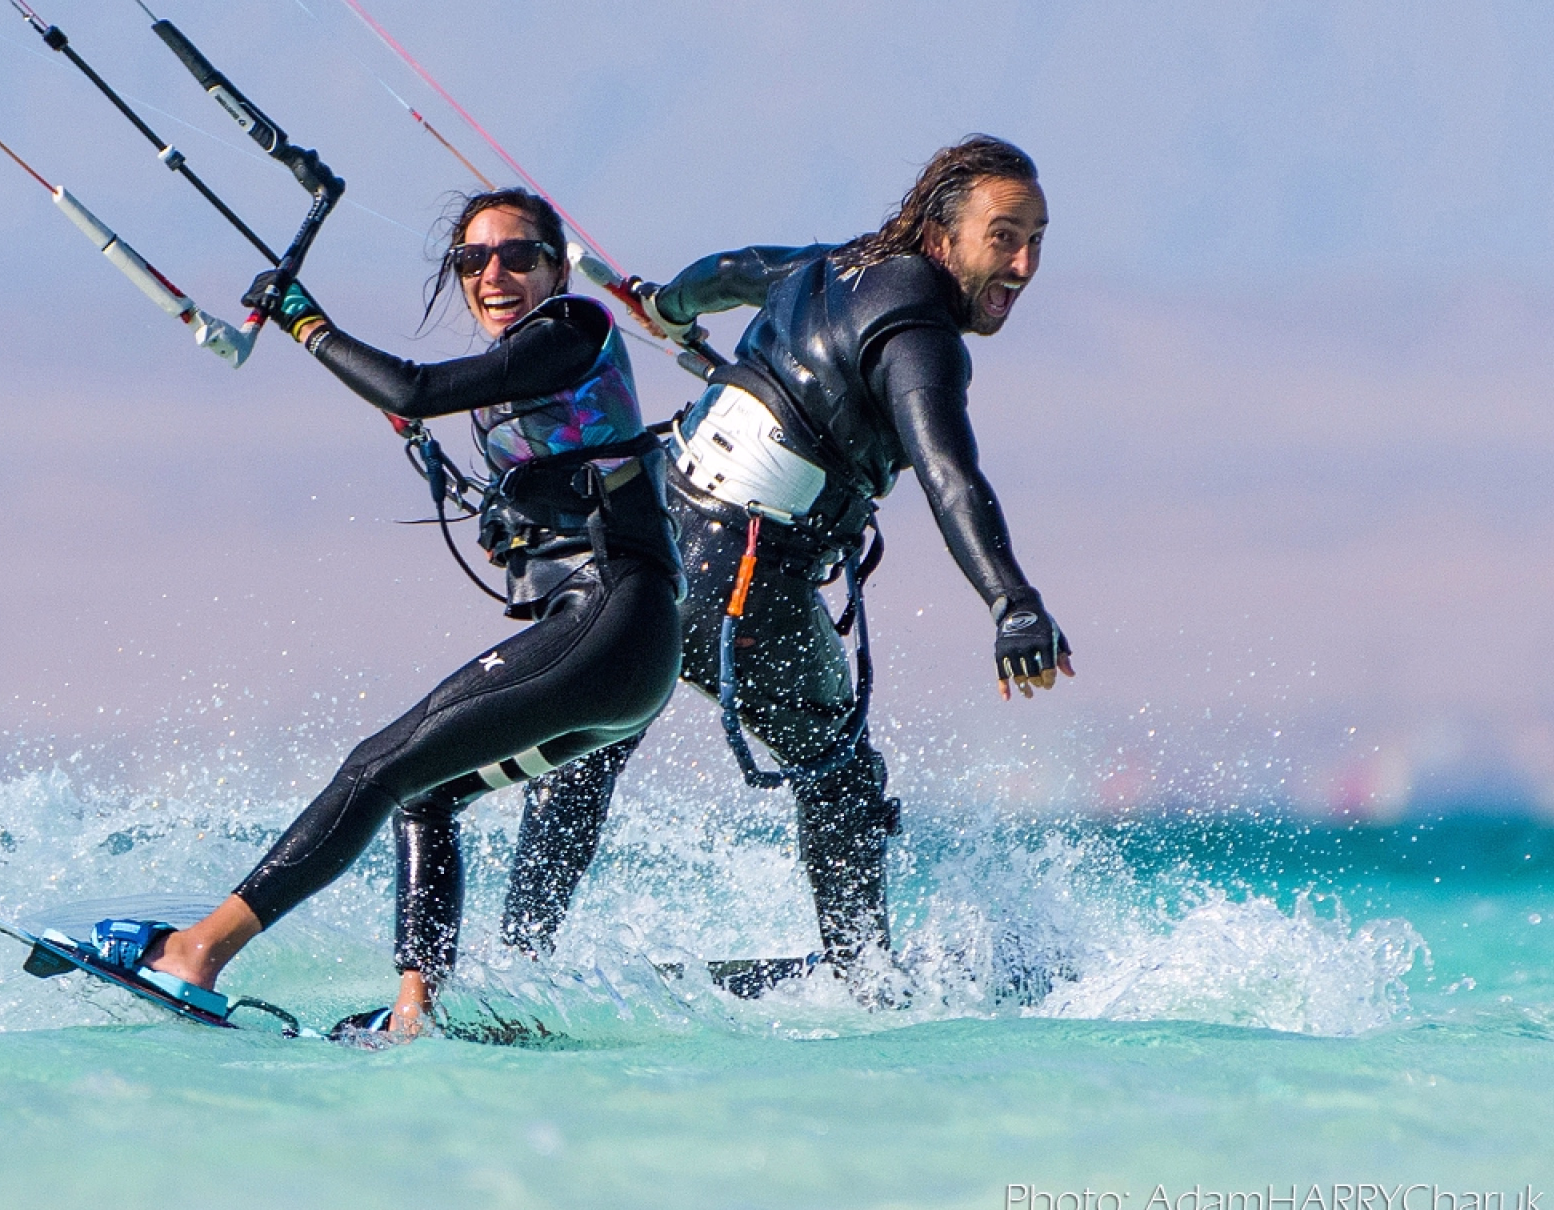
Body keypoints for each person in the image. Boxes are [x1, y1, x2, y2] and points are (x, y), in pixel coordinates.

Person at [394, 135, 1074, 1006]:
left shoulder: (837, 267)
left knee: (592, 741)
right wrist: (1012, 601)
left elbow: (733, 269)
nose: (1022, 263)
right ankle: (869, 986)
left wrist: (669, 303)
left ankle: (516, 967)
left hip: (643, 532)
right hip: (736, 578)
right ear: (942, 234)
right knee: (839, 772)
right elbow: (949, 472)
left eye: (1037, 239)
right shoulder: (921, 336)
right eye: (1004, 236)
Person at [79, 187, 684, 1036]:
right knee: (423, 793)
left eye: (518, 256)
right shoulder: (527, 367)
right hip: (621, 648)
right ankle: (414, 1015)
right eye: (473, 261)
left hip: (613, 620)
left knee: (375, 765)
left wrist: (306, 324)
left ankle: (195, 953)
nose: (494, 275)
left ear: (556, 266)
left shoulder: (573, 329)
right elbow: (559, 458)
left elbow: (415, 384)